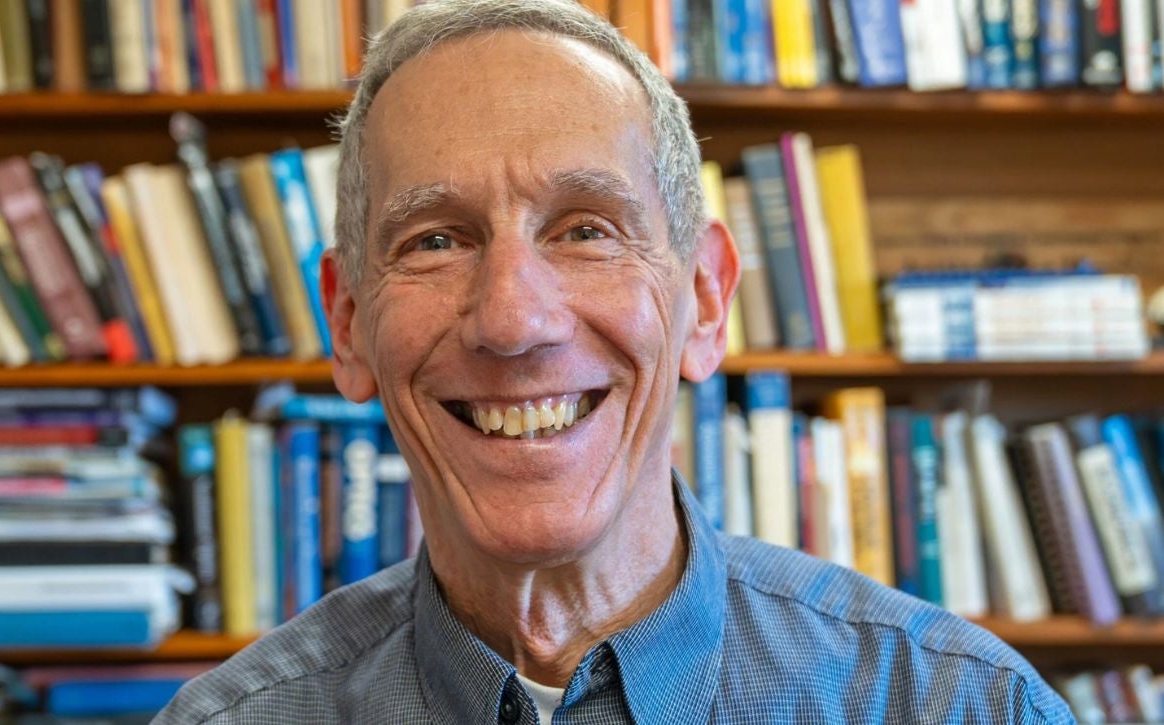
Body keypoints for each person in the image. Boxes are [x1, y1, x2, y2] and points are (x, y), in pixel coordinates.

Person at [155, 1, 1075, 723]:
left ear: (706, 300)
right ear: (348, 322)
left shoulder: (958, 706)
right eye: (436, 240)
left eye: (586, 229)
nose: (512, 319)